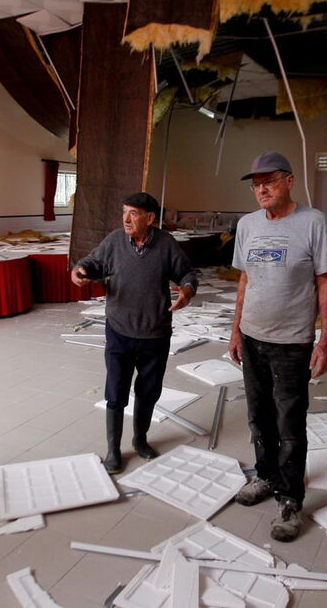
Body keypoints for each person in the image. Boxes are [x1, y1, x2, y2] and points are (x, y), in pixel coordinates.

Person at [227, 151, 327, 542]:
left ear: (289, 181)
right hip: (253, 337)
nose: (261, 189)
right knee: (258, 417)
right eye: (256, 184)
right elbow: (245, 280)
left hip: (292, 343)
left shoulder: (312, 222)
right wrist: (236, 330)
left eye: (269, 181)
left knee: (289, 424)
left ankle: (290, 499)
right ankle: (266, 477)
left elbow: (325, 280)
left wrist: (325, 340)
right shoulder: (247, 225)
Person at [71, 192, 198, 474]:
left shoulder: (165, 244)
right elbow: (91, 262)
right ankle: (113, 450)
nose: (126, 219)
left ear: (150, 218)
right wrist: (79, 270)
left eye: (134, 213)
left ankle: (140, 439)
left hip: (155, 332)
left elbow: (188, 274)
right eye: (125, 212)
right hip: (119, 330)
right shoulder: (115, 240)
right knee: (116, 391)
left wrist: (187, 290)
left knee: (149, 391)